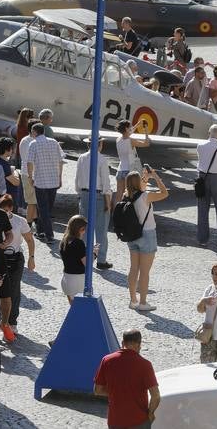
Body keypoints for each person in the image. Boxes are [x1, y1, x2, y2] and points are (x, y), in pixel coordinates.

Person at [94, 329, 160, 429]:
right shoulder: (145, 365)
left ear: (122, 343)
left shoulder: (107, 360)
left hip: (115, 420)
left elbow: (97, 390)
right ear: (139, 344)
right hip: (139, 420)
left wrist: (116, 392)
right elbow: (155, 396)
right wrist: (150, 413)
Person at [123, 169, 168, 312]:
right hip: (147, 234)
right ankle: (143, 302)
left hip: (132, 234)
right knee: (144, 272)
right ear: (138, 183)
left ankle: (133, 300)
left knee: (133, 269)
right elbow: (165, 193)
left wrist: (145, 178)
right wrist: (155, 177)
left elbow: (139, 188)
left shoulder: (126, 196)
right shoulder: (146, 196)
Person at [0, 193, 34, 338]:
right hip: (0, 257)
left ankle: (12, 322)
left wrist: (31, 257)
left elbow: (30, 240)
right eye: (2, 209)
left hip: (16, 258)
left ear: (11, 208)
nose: (4, 212)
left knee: (14, 290)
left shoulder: (20, 221)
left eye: (6, 209)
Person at [75, 136, 112, 269]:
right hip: (98, 195)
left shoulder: (82, 157)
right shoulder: (102, 159)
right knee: (101, 230)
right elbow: (106, 183)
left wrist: (79, 193)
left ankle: (82, 257)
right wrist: (108, 201)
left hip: (84, 194)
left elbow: (77, 177)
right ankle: (101, 260)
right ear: (100, 145)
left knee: (83, 229)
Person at [27, 122, 64, 243]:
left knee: (43, 209)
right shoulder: (54, 142)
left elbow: (29, 162)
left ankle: (49, 235)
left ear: (34, 132)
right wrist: (60, 177)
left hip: (41, 180)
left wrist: (30, 177)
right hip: (53, 180)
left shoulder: (33, 144)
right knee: (47, 208)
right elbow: (60, 161)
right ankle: (40, 231)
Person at [196, 124, 217, 249]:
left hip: (203, 177)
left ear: (209, 132)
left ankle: (202, 239)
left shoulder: (200, 146)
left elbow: (200, 160)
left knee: (202, 210)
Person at [116, 118, 150, 203]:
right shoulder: (131, 141)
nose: (131, 128)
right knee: (130, 195)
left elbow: (128, 133)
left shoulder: (118, 140)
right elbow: (146, 143)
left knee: (119, 195)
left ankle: (115, 213)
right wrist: (145, 130)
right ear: (127, 129)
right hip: (130, 171)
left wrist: (137, 124)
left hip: (120, 170)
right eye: (130, 127)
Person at [59, 214, 90, 303]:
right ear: (81, 229)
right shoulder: (79, 243)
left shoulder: (64, 241)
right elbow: (86, 263)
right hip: (77, 280)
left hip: (67, 278)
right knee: (80, 309)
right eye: (84, 230)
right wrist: (94, 254)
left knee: (73, 308)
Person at [19, 119, 38, 226]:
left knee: (33, 201)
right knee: (31, 202)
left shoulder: (28, 140)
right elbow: (29, 160)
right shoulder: (28, 141)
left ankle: (36, 221)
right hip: (29, 174)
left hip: (30, 173)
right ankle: (28, 224)